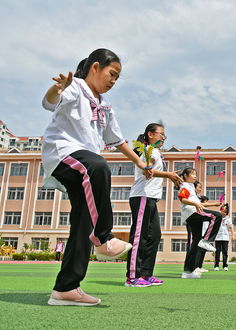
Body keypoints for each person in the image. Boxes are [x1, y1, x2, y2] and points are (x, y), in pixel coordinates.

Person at [42, 49, 153, 306]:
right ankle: (104, 238)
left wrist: (139, 161)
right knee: (98, 166)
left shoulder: (104, 105)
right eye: (111, 74)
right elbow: (50, 102)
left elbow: (117, 139)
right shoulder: (76, 87)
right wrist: (57, 88)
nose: (113, 81)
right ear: (95, 67)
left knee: (82, 222)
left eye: (117, 77)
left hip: (84, 163)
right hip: (63, 153)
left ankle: (66, 288)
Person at [125, 123, 182, 287]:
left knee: (154, 235)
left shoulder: (156, 152)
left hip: (151, 199)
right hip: (142, 196)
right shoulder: (147, 150)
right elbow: (146, 171)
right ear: (150, 134)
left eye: (165, 135)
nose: (163, 137)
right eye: (161, 134)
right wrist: (169, 175)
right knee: (139, 237)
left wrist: (172, 178)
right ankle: (132, 276)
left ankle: (146, 274)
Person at [178, 168, 222, 279]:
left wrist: (214, 204)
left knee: (195, 242)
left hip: (192, 213)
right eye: (192, 174)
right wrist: (194, 203)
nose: (195, 176)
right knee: (217, 216)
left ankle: (188, 271)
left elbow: (199, 204)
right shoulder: (185, 186)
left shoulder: (191, 187)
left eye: (195, 174)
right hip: (192, 212)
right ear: (185, 175)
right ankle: (207, 240)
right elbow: (182, 199)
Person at [214, 203, 234, 271]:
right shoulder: (217, 218)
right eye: (223, 211)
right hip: (217, 237)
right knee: (217, 252)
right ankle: (216, 266)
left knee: (225, 252)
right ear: (220, 210)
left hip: (225, 238)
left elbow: (231, 227)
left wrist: (233, 235)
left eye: (225, 212)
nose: (224, 213)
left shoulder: (228, 219)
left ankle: (225, 266)